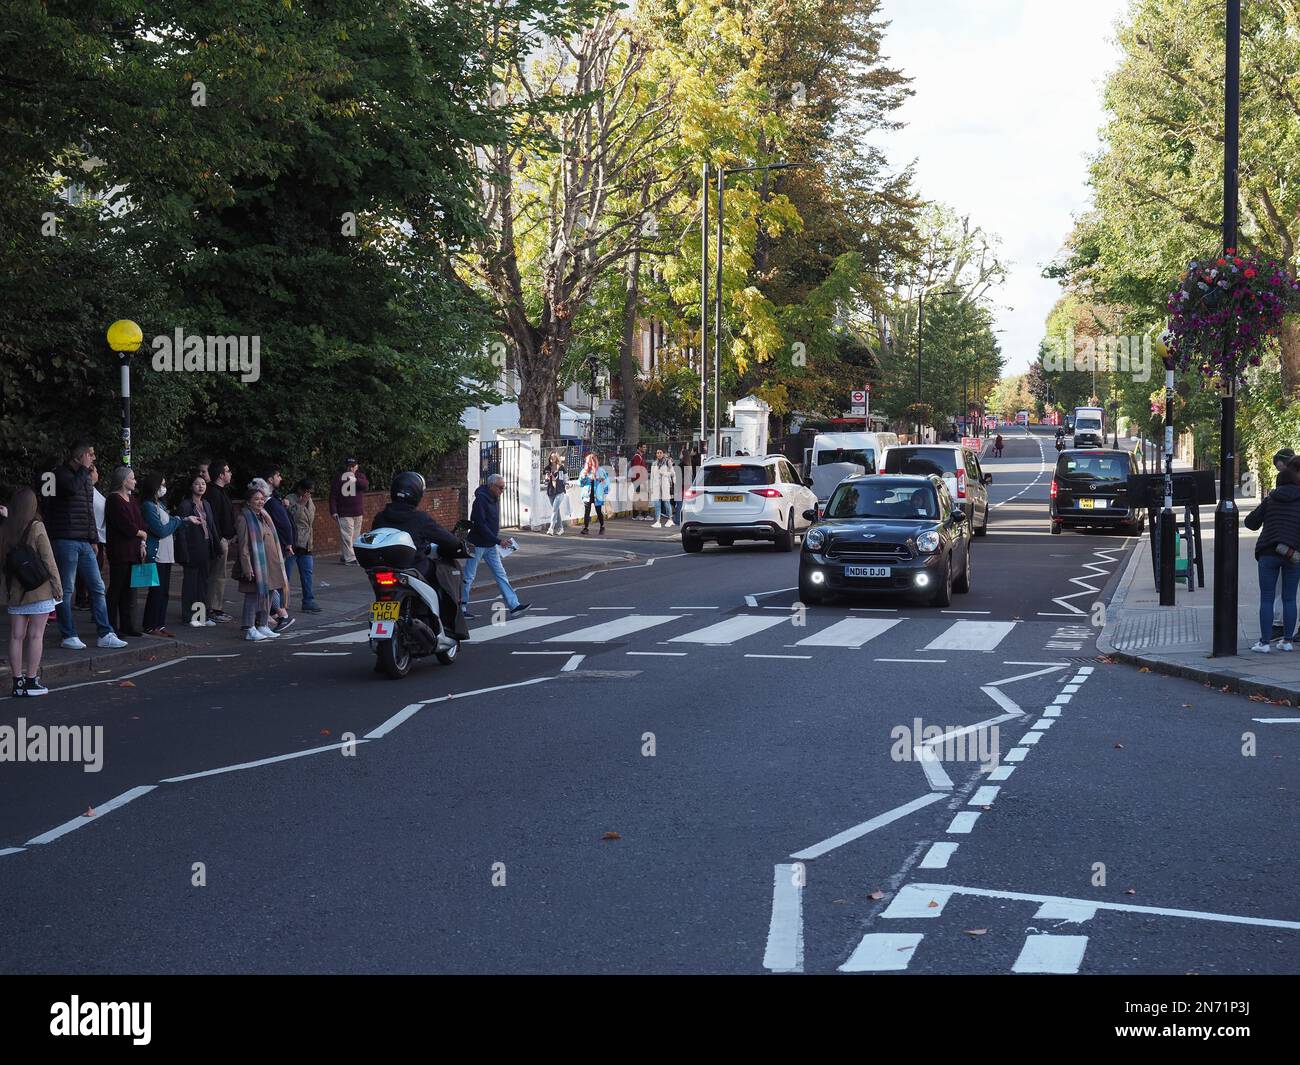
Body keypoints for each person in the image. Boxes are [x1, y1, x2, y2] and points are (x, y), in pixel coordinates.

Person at [371, 472, 469, 640]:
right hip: (413, 566)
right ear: (416, 494)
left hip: (383, 568)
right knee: (442, 574)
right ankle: (444, 622)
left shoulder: (381, 517)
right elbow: (445, 539)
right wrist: (458, 545)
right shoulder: (419, 518)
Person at [47, 442, 125, 649]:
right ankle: (68, 634)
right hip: (65, 538)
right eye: (90, 455)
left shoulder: (86, 479)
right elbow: (71, 489)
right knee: (67, 588)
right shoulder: (60, 474)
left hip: (84, 540)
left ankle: (105, 632)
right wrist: (83, 470)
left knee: (97, 586)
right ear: (80, 456)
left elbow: (90, 512)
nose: (94, 459)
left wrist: (93, 538)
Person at [2, 487, 63, 696]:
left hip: (15, 591)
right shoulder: (37, 527)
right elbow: (48, 559)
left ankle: (17, 683)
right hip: (38, 589)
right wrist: (57, 585)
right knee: (36, 636)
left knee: (16, 637)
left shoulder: (6, 529)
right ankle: (31, 681)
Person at [1244, 463, 1300, 653]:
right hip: (1292, 554)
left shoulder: (1271, 499)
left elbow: (1250, 523)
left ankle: (1265, 643)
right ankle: (1287, 641)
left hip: (1269, 552)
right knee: (1290, 599)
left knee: (1267, 599)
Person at [461, 474, 528, 620]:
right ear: (491, 485)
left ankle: (513, 605)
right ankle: (461, 607)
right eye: (500, 487)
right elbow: (479, 524)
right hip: (476, 544)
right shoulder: (480, 501)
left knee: (501, 574)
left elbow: (491, 523)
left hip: (490, 545)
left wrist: (495, 540)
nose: (502, 490)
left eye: (503, 487)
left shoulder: (495, 498)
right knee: (469, 576)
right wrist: (498, 541)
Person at [140, 473, 201, 637]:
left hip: (166, 554)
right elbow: (161, 530)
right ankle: (150, 625)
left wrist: (181, 520)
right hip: (156, 555)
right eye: (161, 484)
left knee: (164, 592)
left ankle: (159, 624)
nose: (164, 488)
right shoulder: (148, 506)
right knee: (156, 591)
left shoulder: (160, 504)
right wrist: (178, 521)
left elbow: (169, 524)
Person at [234, 483, 289, 642]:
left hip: (270, 564)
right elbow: (243, 546)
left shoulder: (264, 515)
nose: (260, 501)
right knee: (252, 596)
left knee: (269, 594)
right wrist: (247, 566)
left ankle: (263, 625)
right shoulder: (244, 518)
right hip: (254, 564)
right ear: (248, 501)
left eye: (262, 498)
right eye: (256, 499)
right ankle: (249, 628)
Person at [104, 466, 148, 637]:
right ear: (123, 481)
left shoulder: (132, 500)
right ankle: (111, 625)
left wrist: (142, 541)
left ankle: (126, 624)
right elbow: (126, 525)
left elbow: (140, 522)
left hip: (134, 550)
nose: (135, 481)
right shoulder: (114, 500)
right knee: (116, 589)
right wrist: (141, 534)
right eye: (132, 478)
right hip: (120, 551)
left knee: (129, 591)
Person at [177, 472, 219, 626]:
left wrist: (216, 546)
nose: (201, 486)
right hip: (192, 548)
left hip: (205, 546)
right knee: (190, 584)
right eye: (197, 483)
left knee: (203, 584)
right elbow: (181, 531)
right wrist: (183, 551)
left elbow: (211, 526)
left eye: (203, 483)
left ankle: (201, 616)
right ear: (191, 486)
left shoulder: (206, 504)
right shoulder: (186, 505)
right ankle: (189, 616)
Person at [203, 460, 237, 622]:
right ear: (221, 475)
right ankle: (212, 608)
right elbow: (214, 520)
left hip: (224, 539)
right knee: (216, 575)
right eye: (228, 471)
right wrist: (220, 540)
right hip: (219, 540)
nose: (230, 474)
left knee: (219, 575)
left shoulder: (221, 492)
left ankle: (215, 607)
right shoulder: (214, 494)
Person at [285, 478, 322, 613]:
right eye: (306, 491)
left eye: (310, 492)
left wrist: (306, 501)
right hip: (293, 543)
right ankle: (282, 603)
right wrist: (301, 503)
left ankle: (308, 600)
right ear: (300, 489)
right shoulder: (289, 499)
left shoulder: (310, 500)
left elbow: (310, 520)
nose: (308, 494)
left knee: (307, 574)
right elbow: (291, 517)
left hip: (306, 544)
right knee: (286, 575)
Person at [330, 457, 369, 565]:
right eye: (349, 466)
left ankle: (346, 556)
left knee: (354, 537)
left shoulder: (360, 476)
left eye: (353, 466)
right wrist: (333, 511)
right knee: (347, 536)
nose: (350, 468)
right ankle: (350, 558)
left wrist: (355, 479)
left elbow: (365, 485)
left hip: (357, 512)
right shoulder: (339, 478)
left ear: (357, 467)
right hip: (344, 512)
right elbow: (333, 495)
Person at [578, 453, 609, 535]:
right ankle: (586, 528)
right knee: (587, 511)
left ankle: (602, 526)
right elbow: (580, 483)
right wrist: (584, 477)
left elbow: (606, 482)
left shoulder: (601, 471)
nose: (591, 463)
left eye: (593, 461)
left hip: (597, 494)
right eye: (589, 462)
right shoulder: (584, 471)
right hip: (587, 494)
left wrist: (605, 489)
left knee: (598, 511)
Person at [649, 447, 676, 528]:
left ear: (663, 453)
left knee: (666, 502)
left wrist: (664, 473)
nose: (659, 454)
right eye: (657, 453)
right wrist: (651, 488)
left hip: (665, 485)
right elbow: (652, 477)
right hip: (656, 485)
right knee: (657, 503)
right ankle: (658, 521)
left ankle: (670, 519)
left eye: (660, 452)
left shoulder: (668, 462)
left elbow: (672, 473)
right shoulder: (654, 463)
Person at [543, 452, 568, 535]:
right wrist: (546, 480)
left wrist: (566, 484)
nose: (551, 458)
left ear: (556, 458)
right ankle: (561, 528)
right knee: (556, 510)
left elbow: (564, 479)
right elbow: (545, 483)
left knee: (554, 509)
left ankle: (551, 528)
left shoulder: (561, 468)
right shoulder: (547, 468)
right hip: (550, 492)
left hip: (560, 491)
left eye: (553, 457)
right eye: (550, 456)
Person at [630, 442, 650, 519]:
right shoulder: (637, 457)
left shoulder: (640, 457)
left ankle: (643, 514)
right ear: (639, 448)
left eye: (645, 447)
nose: (645, 448)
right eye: (644, 447)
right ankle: (636, 515)